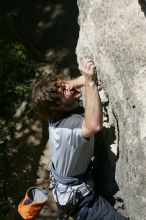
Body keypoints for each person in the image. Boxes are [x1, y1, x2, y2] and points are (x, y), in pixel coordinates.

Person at [31, 58, 128, 220]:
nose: (68, 86)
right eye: (63, 91)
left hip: (68, 190)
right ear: (58, 106)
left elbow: (66, 86)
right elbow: (93, 126)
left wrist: (83, 78)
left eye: (62, 83)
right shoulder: (68, 128)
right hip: (83, 204)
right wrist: (90, 83)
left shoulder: (54, 114)